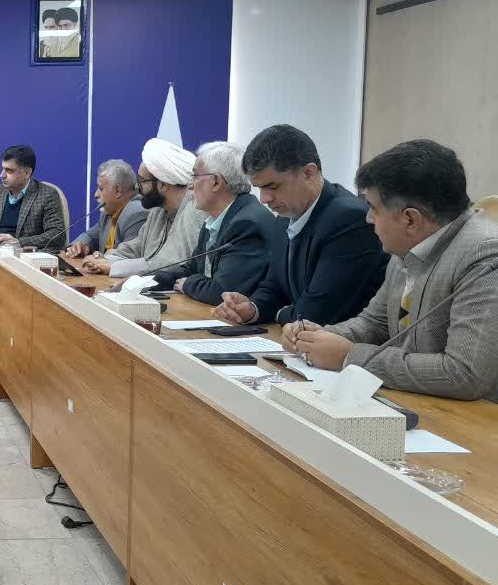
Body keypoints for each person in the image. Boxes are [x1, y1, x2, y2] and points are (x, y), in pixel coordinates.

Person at [287, 140, 498, 401]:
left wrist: (349, 357)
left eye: (373, 208)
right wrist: (317, 337)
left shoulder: (485, 256)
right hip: (418, 401)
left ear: (410, 219)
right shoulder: (408, 244)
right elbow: (375, 323)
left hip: (474, 418)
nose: (368, 218)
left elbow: (464, 374)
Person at [213, 124, 387, 326]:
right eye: (259, 188)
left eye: (272, 186)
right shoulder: (285, 216)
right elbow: (274, 286)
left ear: (309, 173)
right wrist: (252, 308)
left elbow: (315, 315)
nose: (264, 199)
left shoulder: (349, 219)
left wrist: (281, 313)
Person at [152, 142, 279, 304]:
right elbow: (192, 268)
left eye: (195, 176)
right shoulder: (214, 220)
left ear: (216, 182)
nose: (190, 185)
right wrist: (145, 281)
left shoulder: (247, 224)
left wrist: (189, 283)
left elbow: (222, 291)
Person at [83, 138, 203, 278]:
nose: (137, 187)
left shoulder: (194, 212)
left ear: (163, 185)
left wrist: (113, 266)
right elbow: (136, 247)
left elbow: (169, 266)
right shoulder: (158, 210)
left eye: (142, 181)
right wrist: (105, 259)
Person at [0, 145, 66, 250]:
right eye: (2, 169)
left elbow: (57, 235)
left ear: (27, 173)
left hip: (25, 255)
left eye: (9, 171)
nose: (2, 175)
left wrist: (19, 242)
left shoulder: (47, 194)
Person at [66, 159, 145, 258]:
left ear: (118, 190)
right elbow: (90, 236)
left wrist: (102, 259)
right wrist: (81, 245)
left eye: (101, 189)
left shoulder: (136, 214)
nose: (96, 194)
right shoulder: (109, 211)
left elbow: (128, 256)